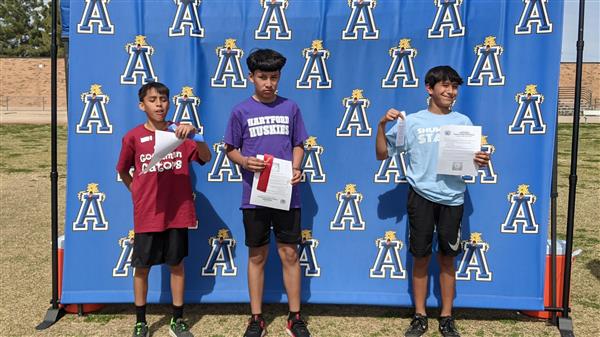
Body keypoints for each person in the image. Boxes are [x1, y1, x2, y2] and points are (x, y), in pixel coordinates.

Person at [375, 66, 490, 337]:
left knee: (448, 259)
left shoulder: (463, 122)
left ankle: (447, 317)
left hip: (453, 198)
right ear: (430, 89)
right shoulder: (412, 121)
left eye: (454, 87)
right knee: (421, 258)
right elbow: (382, 154)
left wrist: (481, 161)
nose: (450, 92)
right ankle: (419, 316)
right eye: (445, 86)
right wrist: (381, 125)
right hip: (421, 198)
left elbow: (472, 161)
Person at [223, 48, 311, 337]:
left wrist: (296, 168)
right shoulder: (240, 110)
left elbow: (299, 143)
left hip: (287, 193)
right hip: (254, 196)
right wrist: (244, 161)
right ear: (251, 77)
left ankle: (295, 317)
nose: (269, 83)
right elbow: (230, 149)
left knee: (289, 254)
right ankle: (256, 317)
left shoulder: (292, 108)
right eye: (262, 77)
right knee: (257, 255)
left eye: (274, 77)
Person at [116, 82, 211, 337]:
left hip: (177, 212)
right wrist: (135, 189)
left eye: (164, 99)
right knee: (143, 267)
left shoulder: (179, 132)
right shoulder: (133, 137)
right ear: (142, 105)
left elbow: (205, 158)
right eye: (152, 99)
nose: (159, 104)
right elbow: (123, 169)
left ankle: (177, 320)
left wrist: (197, 136)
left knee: (177, 265)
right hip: (148, 213)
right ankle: (140, 321)